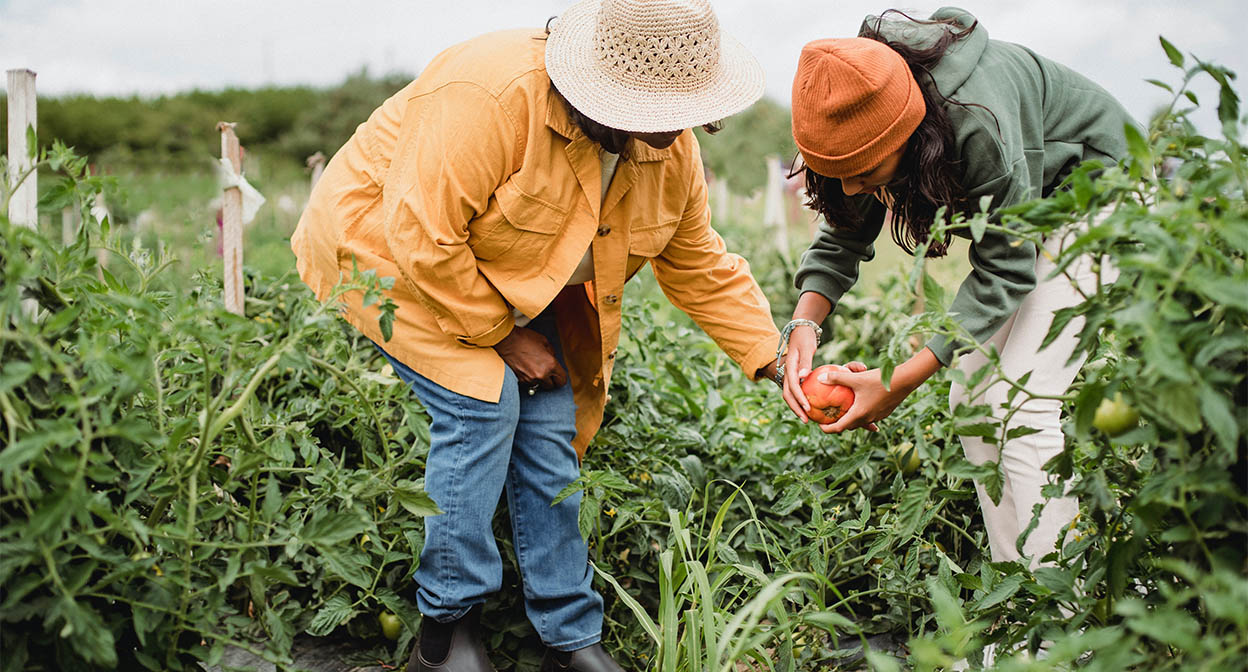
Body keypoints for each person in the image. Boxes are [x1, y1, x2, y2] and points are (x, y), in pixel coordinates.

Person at [290, 0, 781, 670]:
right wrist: (503, 336)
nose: (672, 132)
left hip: (506, 272)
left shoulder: (671, 151)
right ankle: (445, 632)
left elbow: (698, 263)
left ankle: (568, 636)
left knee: (550, 424)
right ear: (600, 87)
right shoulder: (490, 96)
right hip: (387, 254)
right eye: (655, 111)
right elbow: (423, 238)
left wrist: (777, 360)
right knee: (483, 402)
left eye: (685, 110)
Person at [778, 7, 1136, 566]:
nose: (849, 186)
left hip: (1102, 195)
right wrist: (804, 324)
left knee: (1020, 401)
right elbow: (843, 236)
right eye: (836, 172)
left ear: (910, 135)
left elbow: (1005, 270)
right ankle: (1014, 600)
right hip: (1039, 209)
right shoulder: (855, 99)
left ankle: (1063, 626)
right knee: (970, 396)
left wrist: (894, 382)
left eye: (865, 171)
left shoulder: (976, 120)